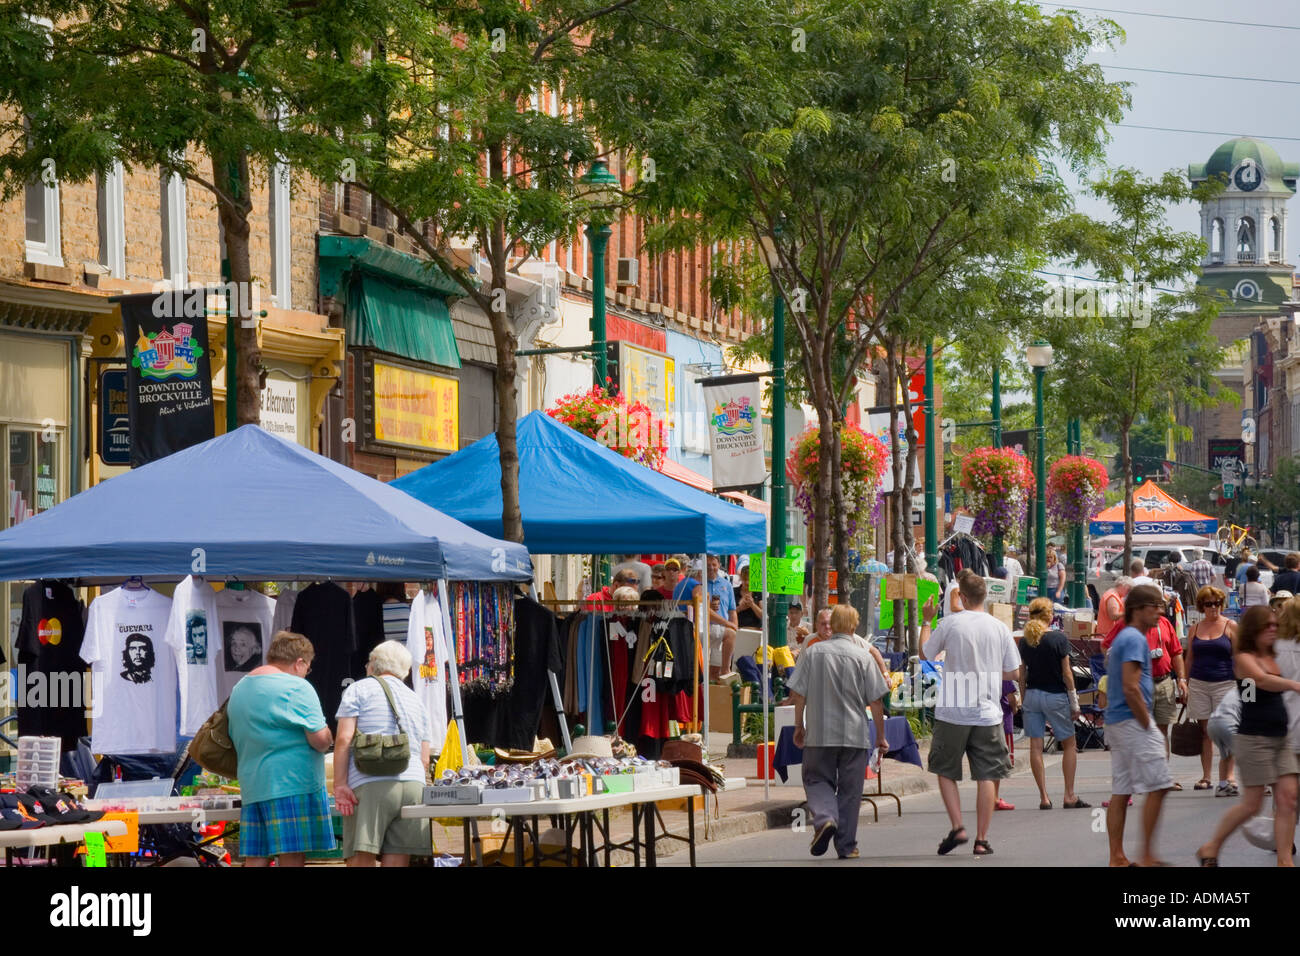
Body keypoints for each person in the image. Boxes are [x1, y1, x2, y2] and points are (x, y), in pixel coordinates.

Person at [920, 571, 1021, 857]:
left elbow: (926, 654)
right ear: (984, 596)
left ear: (962, 597)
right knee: (987, 774)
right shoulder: (998, 627)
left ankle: (957, 825)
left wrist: (927, 620)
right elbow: (1014, 670)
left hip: (953, 710)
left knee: (944, 769)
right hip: (988, 712)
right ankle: (981, 838)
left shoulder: (951, 624)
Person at [1196, 606, 1300, 867]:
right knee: (1252, 805)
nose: (1274, 629)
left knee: (1288, 799)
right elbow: (1259, 681)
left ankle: (1284, 861)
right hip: (1254, 739)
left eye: (1276, 625)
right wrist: (1293, 685)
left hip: (1280, 738)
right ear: (1254, 630)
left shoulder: (1275, 655)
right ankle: (1212, 845)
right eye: (1268, 626)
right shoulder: (1244, 658)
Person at [787, 603, 890, 859]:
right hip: (854, 734)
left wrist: (799, 725)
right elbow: (876, 701)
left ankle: (824, 818)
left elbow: (798, 693)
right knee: (850, 790)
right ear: (854, 626)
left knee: (816, 779)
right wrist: (880, 735)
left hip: (820, 733)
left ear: (832, 625)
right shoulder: (864, 656)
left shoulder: (812, 653)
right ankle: (847, 846)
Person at [226, 631, 335, 866]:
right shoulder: (297, 687)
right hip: (291, 783)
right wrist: (328, 735)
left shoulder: (240, 688)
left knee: (256, 856)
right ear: (299, 663)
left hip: (253, 784)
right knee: (292, 856)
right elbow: (319, 740)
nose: (306, 673)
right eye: (308, 667)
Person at [333, 640, 433, 867]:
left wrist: (340, 784)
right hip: (413, 784)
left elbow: (344, 738)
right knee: (398, 857)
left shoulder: (358, 689)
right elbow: (424, 757)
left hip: (371, 782)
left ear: (374, 664)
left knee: (361, 855)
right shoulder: (416, 699)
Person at [1104, 585, 1174, 867]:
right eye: (1155, 606)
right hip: (1133, 720)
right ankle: (1146, 855)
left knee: (1121, 790)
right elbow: (1131, 687)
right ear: (1138, 609)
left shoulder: (1126, 636)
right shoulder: (1134, 638)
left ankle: (1117, 857)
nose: (1160, 612)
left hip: (1119, 721)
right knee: (1160, 784)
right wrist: (1148, 724)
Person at [1018, 597, 1088, 811]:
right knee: (1069, 744)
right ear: (1050, 616)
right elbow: (1067, 673)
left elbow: (1022, 674)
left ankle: (1044, 797)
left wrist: (1023, 698)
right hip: (1055, 695)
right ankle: (1069, 794)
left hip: (1032, 695)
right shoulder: (1059, 639)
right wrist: (1075, 702)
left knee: (1036, 747)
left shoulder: (1025, 640)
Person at [1185, 585, 1239, 796]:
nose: (1214, 607)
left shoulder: (1230, 626)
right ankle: (1207, 776)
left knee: (1226, 731)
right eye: (1209, 604)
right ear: (1202, 606)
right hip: (1199, 683)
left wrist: (1247, 688)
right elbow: (1189, 658)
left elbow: (1239, 657)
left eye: (1217, 603)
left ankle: (1229, 775)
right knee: (1205, 733)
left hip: (1225, 683)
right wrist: (1184, 682)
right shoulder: (1195, 628)